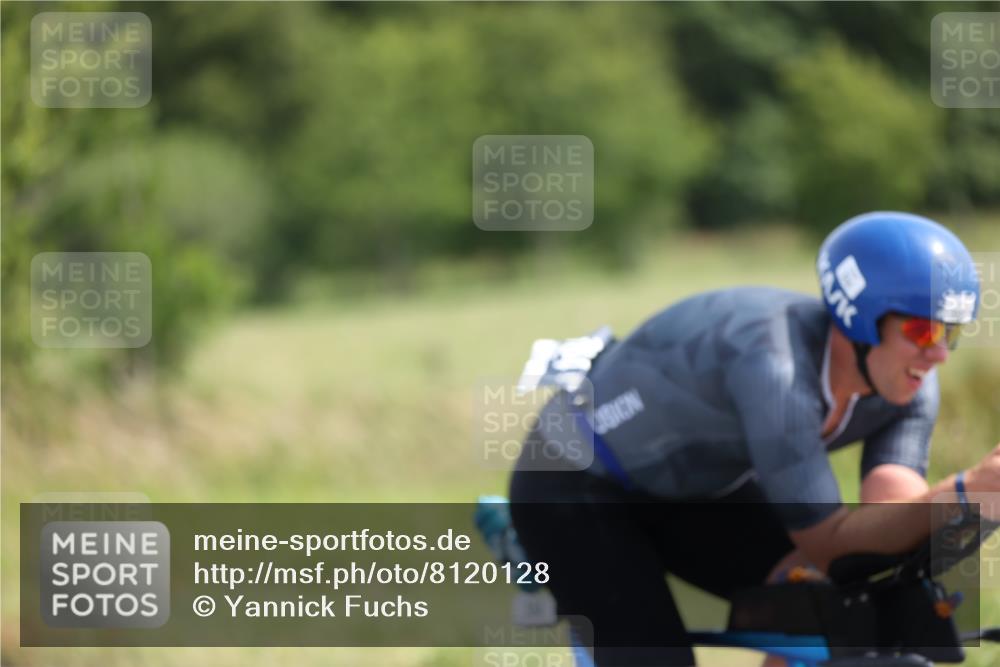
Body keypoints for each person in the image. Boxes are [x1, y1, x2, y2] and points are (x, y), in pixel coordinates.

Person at [508, 211, 1000, 667]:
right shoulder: (776, 369)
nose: (939, 355)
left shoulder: (911, 383)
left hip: (691, 486)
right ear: (859, 317)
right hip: (571, 483)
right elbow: (831, 544)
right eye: (922, 329)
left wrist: (973, 505)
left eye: (949, 333)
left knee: (833, 605)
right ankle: (534, 553)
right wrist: (963, 491)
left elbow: (890, 520)